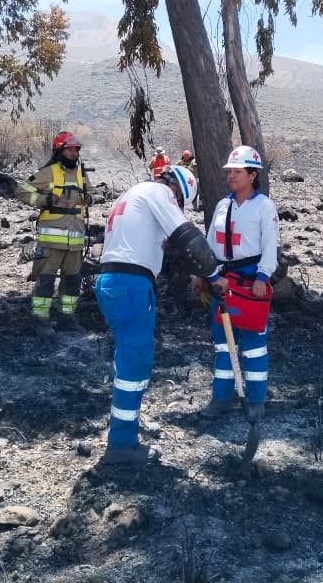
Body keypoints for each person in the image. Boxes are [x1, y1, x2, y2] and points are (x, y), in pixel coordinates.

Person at [95, 165, 219, 465]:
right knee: (135, 366)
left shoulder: (133, 195)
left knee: (127, 358)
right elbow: (190, 239)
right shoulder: (160, 193)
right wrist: (214, 275)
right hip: (132, 285)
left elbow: (165, 246)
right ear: (177, 190)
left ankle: (128, 422)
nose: (177, 205)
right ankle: (121, 445)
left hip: (111, 282)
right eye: (180, 202)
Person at [197, 145, 279, 425]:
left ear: (252, 175)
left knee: (254, 345)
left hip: (251, 281)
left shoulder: (264, 206)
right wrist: (203, 274)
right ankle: (221, 397)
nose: (231, 176)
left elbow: (270, 245)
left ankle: (256, 400)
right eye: (229, 171)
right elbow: (210, 242)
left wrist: (263, 277)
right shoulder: (223, 205)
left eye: (238, 171)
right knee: (223, 344)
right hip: (221, 282)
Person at [18, 131, 92, 338]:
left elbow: (90, 193)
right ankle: (41, 321)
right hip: (51, 241)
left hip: (75, 240)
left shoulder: (81, 174)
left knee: (72, 283)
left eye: (76, 150)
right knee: (45, 283)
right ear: (59, 151)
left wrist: (90, 198)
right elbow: (22, 190)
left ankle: (66, 319)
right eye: (70, 149)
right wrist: (44, 201)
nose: (74, 153)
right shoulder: (48, 172)